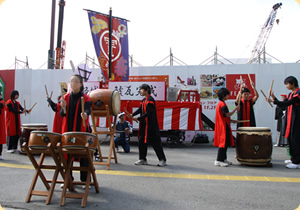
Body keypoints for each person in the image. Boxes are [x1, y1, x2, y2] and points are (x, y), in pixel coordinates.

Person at [60, 74, 93, 184]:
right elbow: (61, 114)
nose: (72, 83)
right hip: (68, 131)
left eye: (75, 82)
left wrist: (85, 115)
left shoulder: (86, 98)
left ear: (81, 84)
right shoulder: (65, 98)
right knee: (67, 155)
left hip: (81, 131)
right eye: (71, 81)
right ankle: (68, 179)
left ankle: (84, 180)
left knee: (84, 155)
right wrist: (63, 107)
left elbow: (88, 109)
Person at [268, 76, 300, 169]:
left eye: (287, 84)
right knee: (290, 141)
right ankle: (293, 158)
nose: (286, 86)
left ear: (293, 84)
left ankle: (297, 162)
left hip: (297, 121)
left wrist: (274, 100)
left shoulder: (298, 94)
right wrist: (273, 98)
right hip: (290, 120)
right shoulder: (291, 94)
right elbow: (283, 105)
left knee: (296, 141)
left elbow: (288, 103)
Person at [131, 84, 167, 167]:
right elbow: (140, 109)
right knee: (141, 141)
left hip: (151, 125)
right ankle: (142, 159)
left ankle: (162, 160)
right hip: (144, 125)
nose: (140, 91)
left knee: (155, 142)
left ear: (146, 90)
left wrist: (139, 118)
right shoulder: (144, 100)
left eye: (142, 89)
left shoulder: (150, 100)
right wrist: (132, 114)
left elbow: (149, 113)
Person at [214, 88, 239, 167]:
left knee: (226, 143)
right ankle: (218, 160)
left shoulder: (221, 103)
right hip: (223, 127)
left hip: (225, 125)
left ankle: (223, 159)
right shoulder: (222, 104)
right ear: (223, 96)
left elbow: (225, 116)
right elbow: (227, 114)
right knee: (223, 144)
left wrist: (232, 120)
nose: (228, 96)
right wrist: (236, 108)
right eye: (227, 95)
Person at [0, 92, 6, 160]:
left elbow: (1, 105)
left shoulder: (2, 102)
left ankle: (0, 154)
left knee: (0, 140)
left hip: (0, 123)